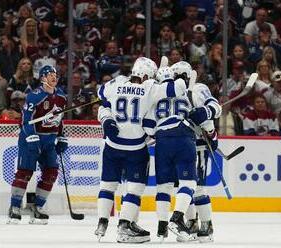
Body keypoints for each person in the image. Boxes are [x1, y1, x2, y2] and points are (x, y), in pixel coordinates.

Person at [95, 57, 187, 243]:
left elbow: (101, 95)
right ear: (145, 75)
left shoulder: (117, 82)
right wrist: (171, 76)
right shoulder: (150, 87)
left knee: (108, 185)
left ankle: (102, 222)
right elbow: (177, 89)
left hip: (112, 145)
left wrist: (106, 119)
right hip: (135, 147)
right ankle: (124, 225)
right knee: (134, 189)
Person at [150, 61, 221, 242]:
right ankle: (191, 223)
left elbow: (215, 107)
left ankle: (206, 225)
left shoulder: (198, 89)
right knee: (183, 185)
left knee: (198, 187)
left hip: (198, 143)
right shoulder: (170, 92)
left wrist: (205, 113)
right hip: (183, 141)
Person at [7, 65, 68, 224]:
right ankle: (14, 208)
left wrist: (61, 137)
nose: (54, 77)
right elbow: (25, 121)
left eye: (55, 74)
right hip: (30, 139)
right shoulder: (34, 96)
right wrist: (32, 137)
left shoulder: (61, 96)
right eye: (50, 74)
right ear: (42, 78)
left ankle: (37, 208)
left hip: (49, 140)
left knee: (51, 172)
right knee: (25, 172)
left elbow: (59, 119)